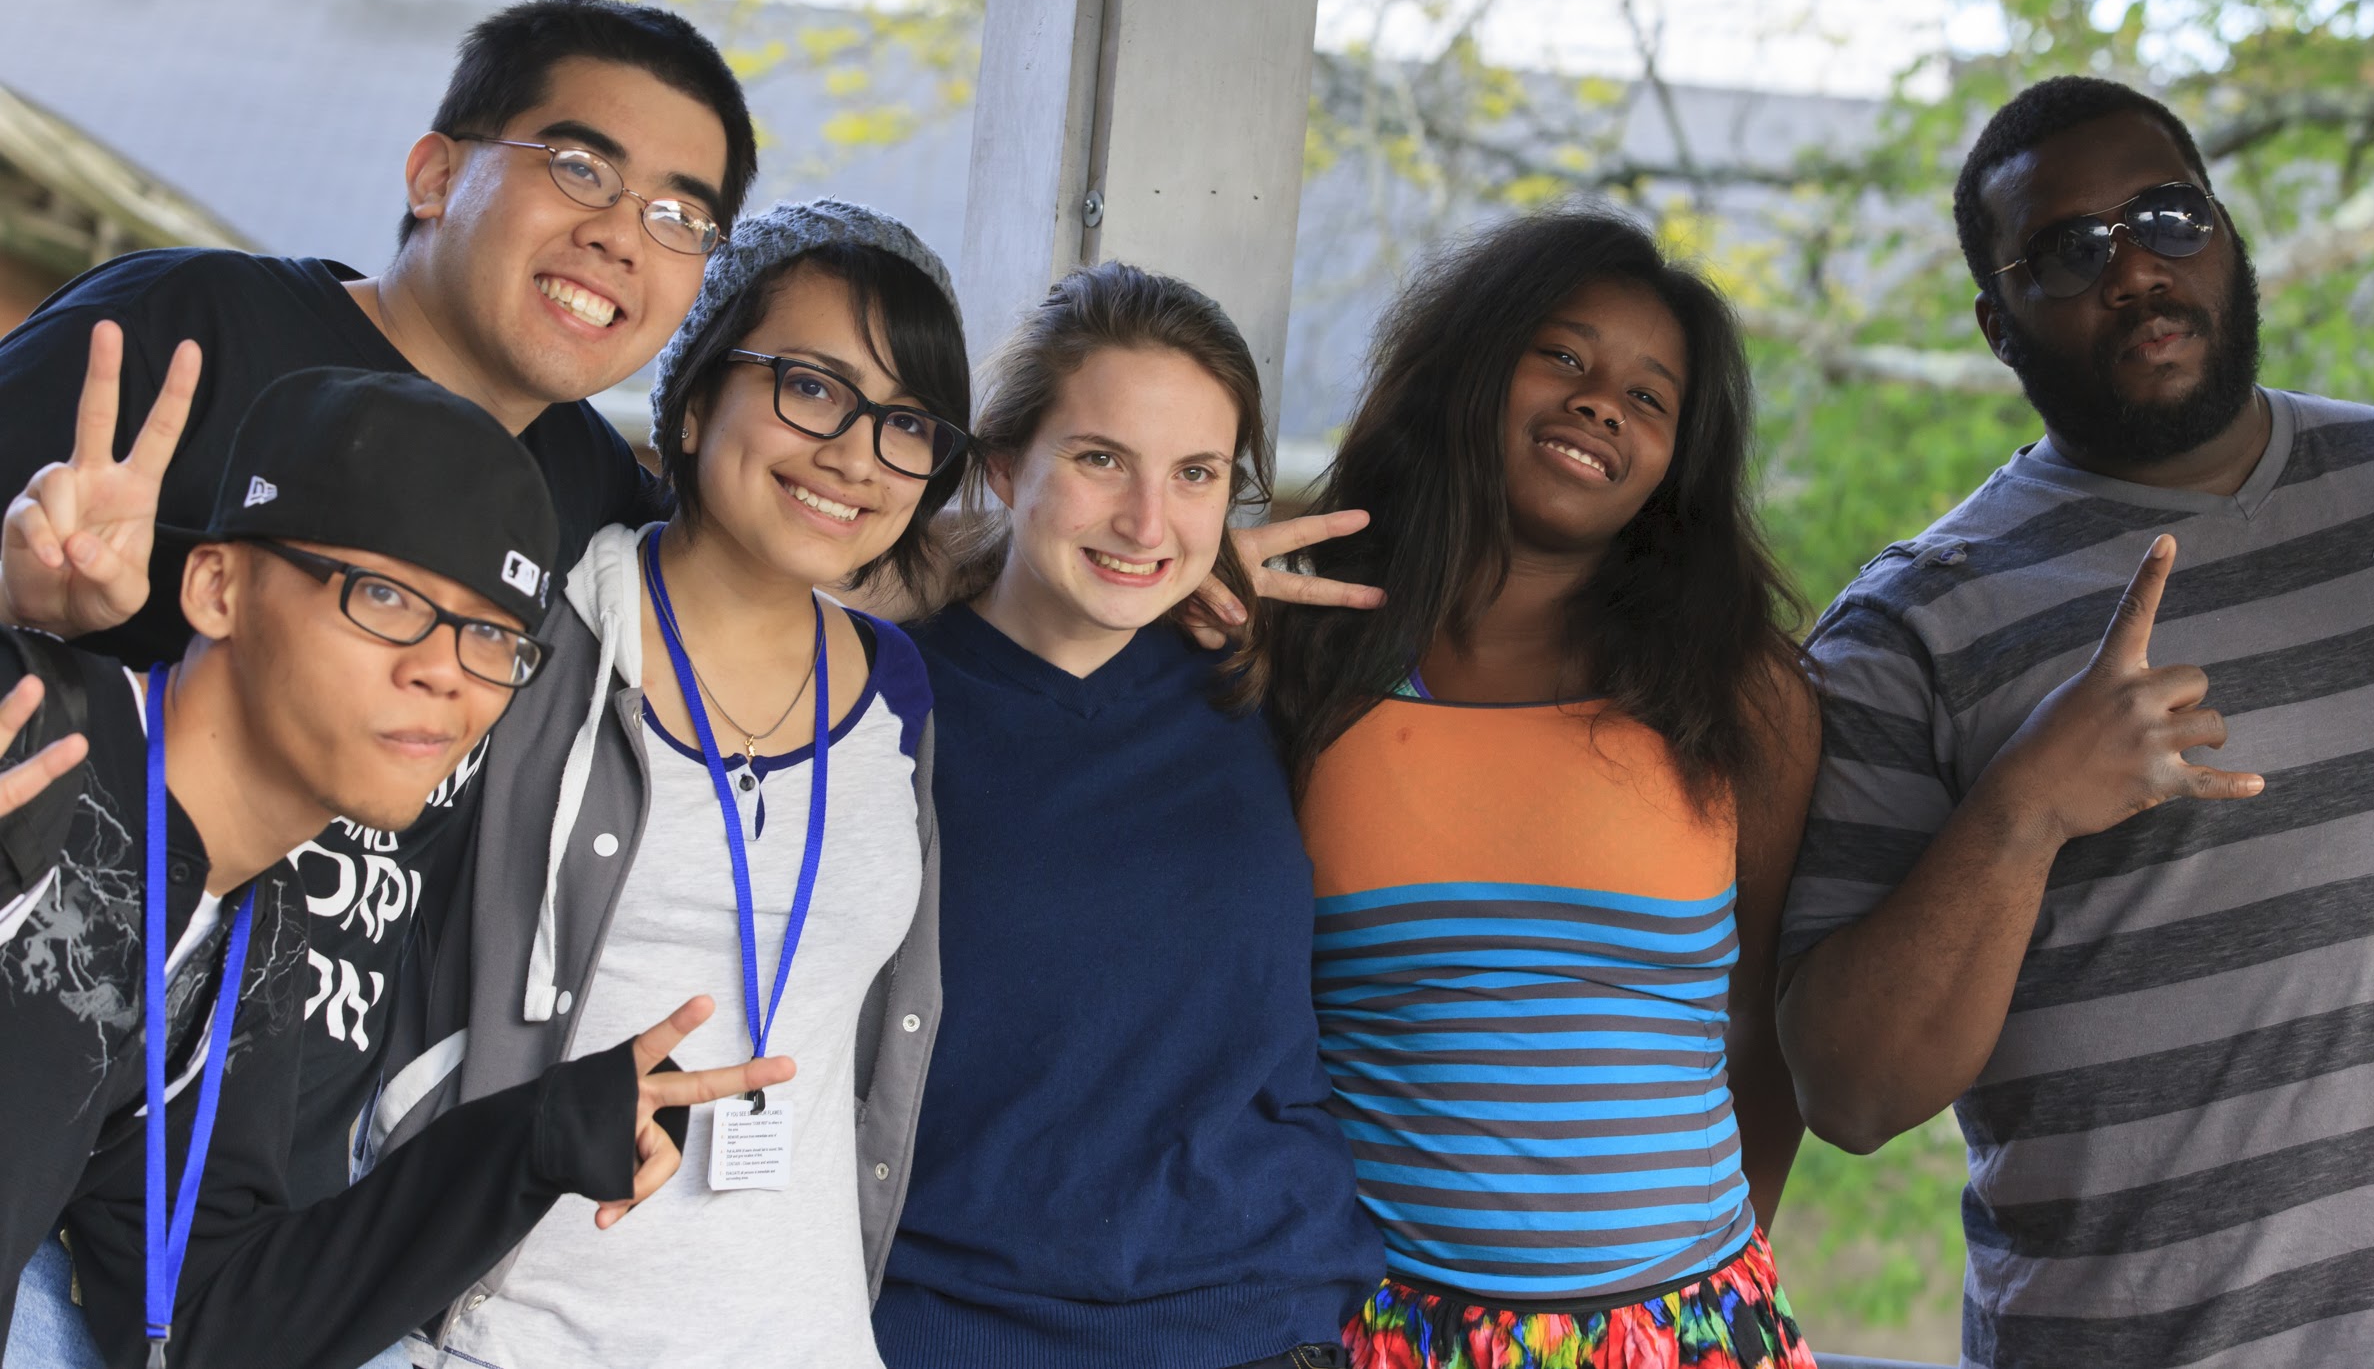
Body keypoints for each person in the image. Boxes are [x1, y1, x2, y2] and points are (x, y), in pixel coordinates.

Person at [0, 0, 757, 1248]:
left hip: (243, 1227)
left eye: (681, 215)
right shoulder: (194, 331)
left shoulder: (586, 490)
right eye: (580, 167)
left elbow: (803, 544)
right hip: (50, 1174)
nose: (623, 234)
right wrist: (19, 592)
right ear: (433, 171)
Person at [1773, 74, 2374, 1369]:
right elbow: (1850, 1090)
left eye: (2168, 216)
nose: (2133, 270)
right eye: (2070, 249)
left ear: (2227, 239)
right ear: (2001, 326)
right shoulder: (1914, 623)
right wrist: (2024, 809)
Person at [0, 357, 791, 1369]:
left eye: (492, 638)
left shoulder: (259, 925)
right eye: (383, 595)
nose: (441, 670)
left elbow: (208, 1313)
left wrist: (535, 1135)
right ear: (215, 585)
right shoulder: (38, 738)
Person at [377, 200, 970, 1369]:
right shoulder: (537, 640)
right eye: (812, 386)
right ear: (697, 398)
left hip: (804, 1338)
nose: (856, 452)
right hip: (511, 1334)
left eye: (908, 421)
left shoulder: (900, 688)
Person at [1265, 208, 1820, 1369]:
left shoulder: (1739, 692)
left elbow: (1768, 1029)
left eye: (1649, 397)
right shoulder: (1301, 657)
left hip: (1687, 1329)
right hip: (1375, 1332)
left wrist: (1702, 1296)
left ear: (1676, 463)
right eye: (1564, 354)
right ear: (1471, 363)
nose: (1600, 401)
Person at [871, 262, 1387, 1369]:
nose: (1148, 519)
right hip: (953, 1325)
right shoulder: (879, 701)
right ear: (1006, 466)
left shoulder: (1265, 680)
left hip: (1262, 1316)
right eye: (1102, 458)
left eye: (1196, 473)